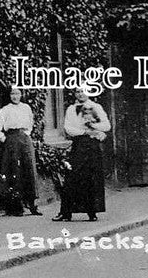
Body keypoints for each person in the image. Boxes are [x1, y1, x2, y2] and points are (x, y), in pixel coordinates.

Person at [53, 88, 110, 222]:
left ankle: (92, 212)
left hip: (93, 146)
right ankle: (65, 213)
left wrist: (93, 126)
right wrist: (84, 132)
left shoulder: (96, 107)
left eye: (83, 91)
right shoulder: (71, 109)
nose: (80, 94)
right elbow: (68, 128)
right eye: (78, 91)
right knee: (72, 177)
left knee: (92, 178)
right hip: (79, 145)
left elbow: (106, 126)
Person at [0, 87, 41, 216]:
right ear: (9, 95)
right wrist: (6, 139)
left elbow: (30, 124)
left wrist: (25, 135)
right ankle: (16, 206)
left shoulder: (26, 108)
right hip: (12, 142)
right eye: (12, 93)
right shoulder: (5, 110)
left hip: (25, 140)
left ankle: (32, 204)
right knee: (15, 171)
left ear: (21, 94)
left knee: (29, 170)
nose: (15, 96)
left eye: (17, 93)